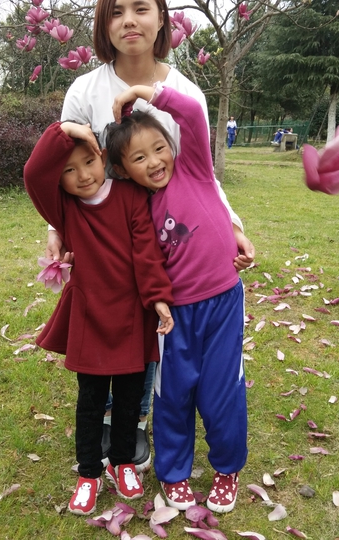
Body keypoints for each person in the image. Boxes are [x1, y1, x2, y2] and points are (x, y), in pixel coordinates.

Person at [46, 0, 255, 475]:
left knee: (149, 321)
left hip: (164, 234)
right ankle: (107, 416)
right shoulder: (84, 91)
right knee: (106, 316)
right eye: (116, 12)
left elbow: (202, 173)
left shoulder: (185, 92)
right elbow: (63, 168)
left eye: (141, 9)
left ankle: (134, 417)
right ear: (104, 24)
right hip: (102, 236)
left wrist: (231, 224)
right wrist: (56, 229)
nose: (129, 21)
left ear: (162, 18)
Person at [106, 83, 248, 514]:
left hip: (223, 303)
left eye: (159, 148)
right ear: (123, 170)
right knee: (174, 393)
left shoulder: (195, 169)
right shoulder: (136, 208)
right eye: (139, 158)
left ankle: (227, 469)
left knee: (223, 390)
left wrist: (144, 92)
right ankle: (173, 473)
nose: (154, 162)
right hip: (175, 316)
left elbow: (191, 112)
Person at [24, 121, 175, 516]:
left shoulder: (130, 195)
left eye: (89, 162)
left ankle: (122, 462)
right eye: (69, 170)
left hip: (132, 316)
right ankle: (89, 472)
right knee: (90, 402)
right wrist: (65, 129)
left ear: (103, 158)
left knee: (128, 400)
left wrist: (158, 298)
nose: (83, 175)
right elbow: (33, 173)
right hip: (90, 318)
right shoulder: (65, 207)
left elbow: (146, 253)